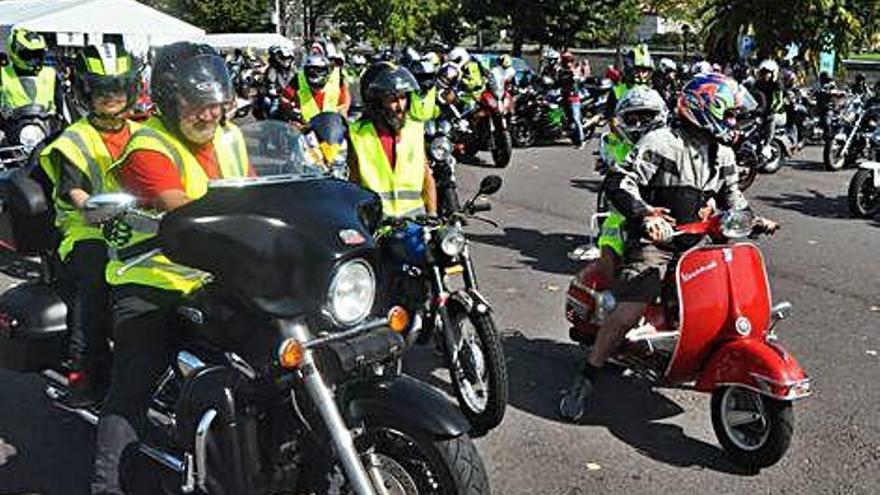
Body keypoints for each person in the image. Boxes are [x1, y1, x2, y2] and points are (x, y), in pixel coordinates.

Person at [559, 74, 779, 420]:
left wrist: (752, 218)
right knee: (629, 310)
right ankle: (587, 376)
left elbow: (734, 199)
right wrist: (645, 214)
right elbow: (619, 182)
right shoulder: (661, 142)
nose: (735, 121)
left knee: (724, 297)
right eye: (731, 113)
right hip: (656, 244)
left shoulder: (723, 153)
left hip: (698, 244)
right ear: (705, 108)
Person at [91, 41, 251, 495]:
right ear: (166, 100)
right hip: (152, 278)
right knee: (133, 384)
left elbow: (263, 195)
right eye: (196, 105)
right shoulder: (148, 146)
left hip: (217, 275)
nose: (208, 115)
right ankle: (107, 486)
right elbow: (183, 215)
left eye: (215, 104)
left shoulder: (232, 136)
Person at [38, 42, 140, 408]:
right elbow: (73, 192)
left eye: (118, 87)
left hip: (138, 225)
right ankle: (84, 372)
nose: (111, 97)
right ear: (84, 91)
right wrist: (99, 209)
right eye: (101, 89)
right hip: (86, 229)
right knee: (96, 278)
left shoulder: (143, 132)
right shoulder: (74, 139)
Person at [348, 63, 437, 219]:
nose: (400, 106)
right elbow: (352, 182)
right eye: (392, 99)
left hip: (414, 220)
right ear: (376, 101)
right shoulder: (357, 134)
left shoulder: (414, 129)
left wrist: (432, 214)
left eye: (403, 97)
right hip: (375, 221)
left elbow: (426, 177)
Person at [0, 28, 63, 114]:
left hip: (46, 124)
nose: (35, 59)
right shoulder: (3, 73)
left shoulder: (51, 74)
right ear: (14, 52)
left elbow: (62, 106)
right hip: (11, 125)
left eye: (38, 54)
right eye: (29, 54)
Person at [286, 53, 350, 123]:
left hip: (331, 126)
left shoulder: (337, 79)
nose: (315, 73)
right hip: (304, 127)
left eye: (319, 70)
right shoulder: (298, 79)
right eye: (312, 70)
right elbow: (285, 98)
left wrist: (344, 124)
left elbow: (343, 106)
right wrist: (293, 111)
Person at [753, 59, 785, 157]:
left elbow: (779, 101)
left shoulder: (777, 84)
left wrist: (773, 110)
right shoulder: (758, 83)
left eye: (768, 73)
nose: (765, 75)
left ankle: (767, 145)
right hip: (762, 111)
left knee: (771, 119)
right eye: (763, 72)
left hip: (778, 113)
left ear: (773, 73)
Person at [259, 45, 295, 120]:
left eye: (288, 58)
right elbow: (271, 84)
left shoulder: (293, 69)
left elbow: (298, 79)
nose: (286, 60)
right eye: (284, 58)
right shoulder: (273, 69)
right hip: (279, 97)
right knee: (273, 111)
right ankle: (270, 126)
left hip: (292, 96)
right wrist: (273, 90)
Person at [558, 51, 585, 147]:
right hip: (564, 96)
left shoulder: (573, 71)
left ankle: (581, 140)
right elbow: (558, 82)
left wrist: (574, 73)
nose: (567, 63)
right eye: (565, 61)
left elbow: (576, 80)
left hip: (573, 97)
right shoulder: (561, 71)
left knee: (575, 117)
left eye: (569, 61)